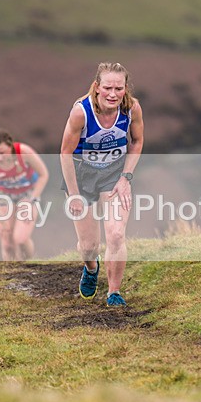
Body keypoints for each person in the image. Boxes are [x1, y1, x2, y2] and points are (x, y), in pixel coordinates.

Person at [60, 62, 144, 307]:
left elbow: (137, 142)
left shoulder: (131, 108)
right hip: (81, 174)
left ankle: (114, 293)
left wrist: (126, 177)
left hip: (114, 174)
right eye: (107, 87)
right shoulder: (81, 112)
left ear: (125, 88)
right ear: (97, 87)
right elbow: (65, 153)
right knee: (88, 246)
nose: (113, 94)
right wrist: (74, 194)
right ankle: (91, 267)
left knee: (116, 234)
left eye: (119, 88)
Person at [0, 128, 49, 260]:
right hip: (4, 198)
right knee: (7, 243)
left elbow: (43, 174)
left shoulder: (24, 152)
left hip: (27, 196)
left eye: (2, 152)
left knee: (20, 239)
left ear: (10, 145)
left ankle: (30, 265)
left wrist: (32, 199)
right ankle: (11, 274)